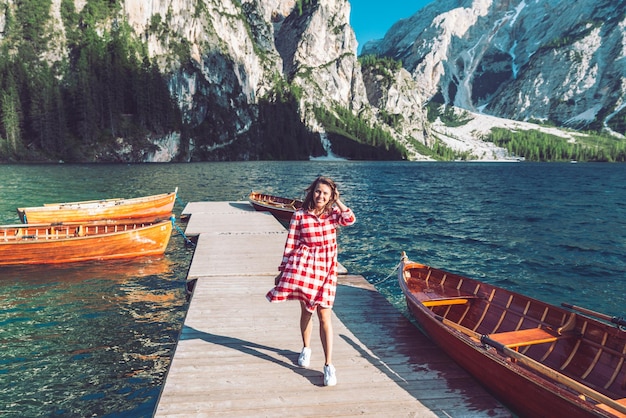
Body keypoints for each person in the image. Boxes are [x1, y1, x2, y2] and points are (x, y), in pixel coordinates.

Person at [266, 176, 356, 386]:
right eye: (318, 191)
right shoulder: (299, 215)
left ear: (330, 196)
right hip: (305, 267)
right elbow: (291, 245)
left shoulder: (334, 215)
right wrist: (282, 270)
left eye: (325, 193)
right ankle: (306, 348)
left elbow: (350, 219)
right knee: (307, 311)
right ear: (311, 192)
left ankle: (328, 365)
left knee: (325, 314)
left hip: (327, 270)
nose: (320, 196)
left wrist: (338, 200)